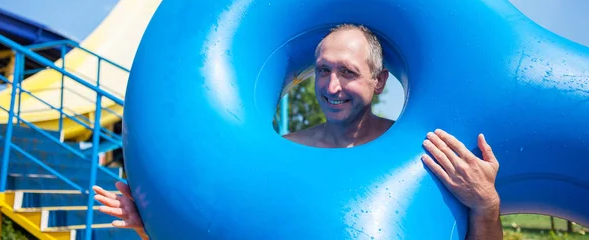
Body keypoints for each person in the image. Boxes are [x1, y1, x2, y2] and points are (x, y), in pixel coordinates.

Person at [93, 24, 502, 240]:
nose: (331, 86)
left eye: (348, 72)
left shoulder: (427, 158)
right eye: (323, 70)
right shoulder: (283, 154)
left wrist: (486, 207)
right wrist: (153, 227)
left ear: (380, 82)